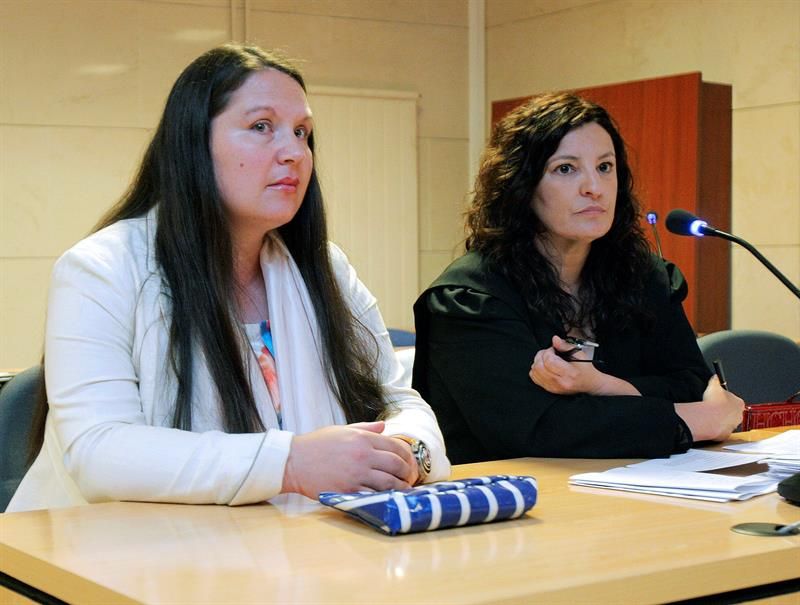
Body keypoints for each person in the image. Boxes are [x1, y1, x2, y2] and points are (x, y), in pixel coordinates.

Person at [8, 44, 449, 512]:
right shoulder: (100, 268)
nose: (294, 153)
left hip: (296, 550)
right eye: (262, 127)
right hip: (113, 559)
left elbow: (398, 399)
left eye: (302, 133)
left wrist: (406, 454)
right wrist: (290, 463)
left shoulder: (326, 267)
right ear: (195, 143)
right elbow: (99, 452)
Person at [412, 92, 744, 464]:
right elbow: (537, 429)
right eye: (566, 169)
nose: (595, 187)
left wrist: (604, 385)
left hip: (639, 487)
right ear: (521, 186)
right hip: (516, 502)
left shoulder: (644, 276)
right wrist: (693, 421)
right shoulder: (470, 297)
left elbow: (693, 385)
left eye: (605, 166)